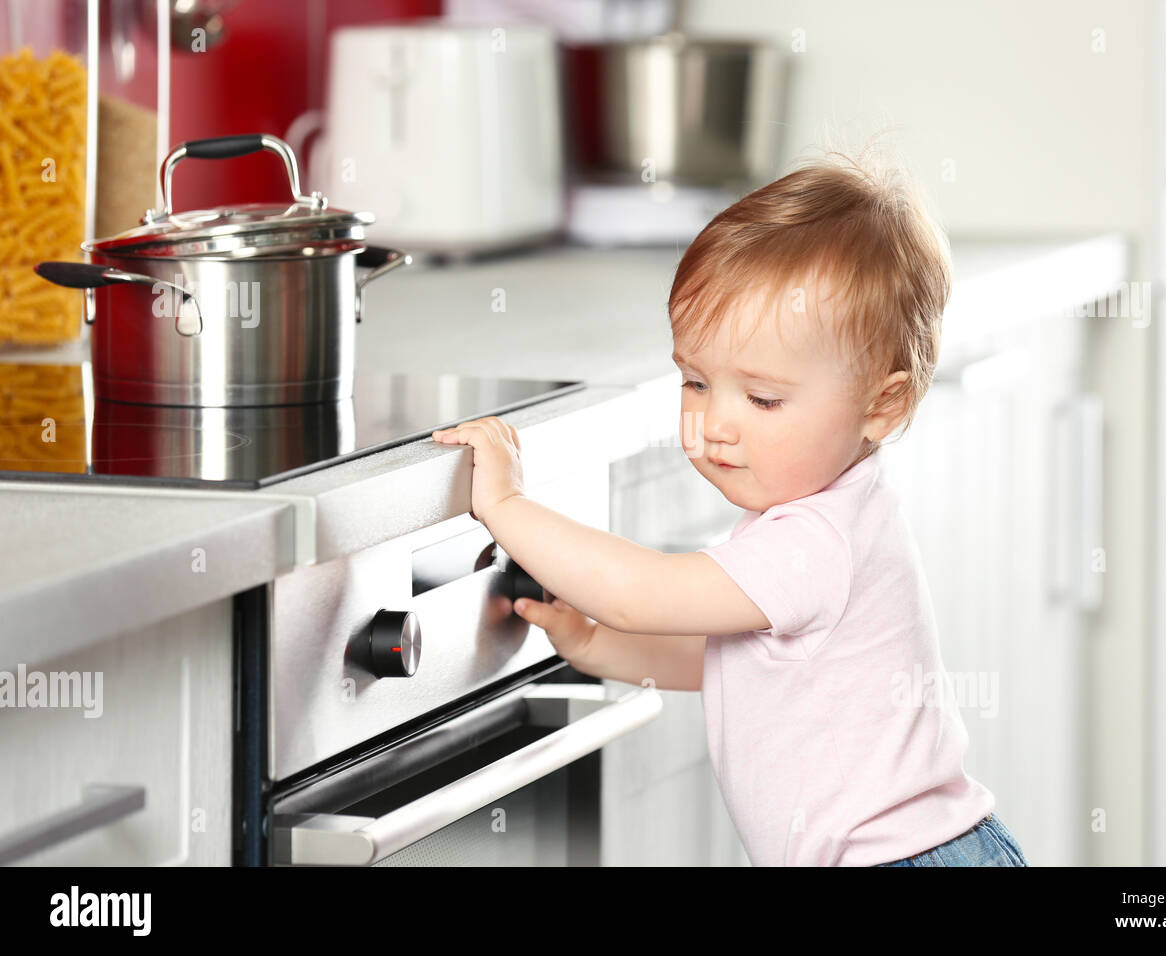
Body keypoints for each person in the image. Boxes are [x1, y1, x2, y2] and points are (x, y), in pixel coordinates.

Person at [432, 146, 1027, 867]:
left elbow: (639, 592)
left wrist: (504, 502)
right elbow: (750, 665)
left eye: (763, 398)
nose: (715, 423)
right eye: (694, 382)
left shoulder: (814, 540)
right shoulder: (836, 509)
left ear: (884, 402)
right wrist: (599, 647)